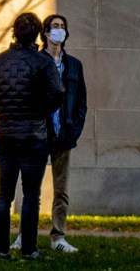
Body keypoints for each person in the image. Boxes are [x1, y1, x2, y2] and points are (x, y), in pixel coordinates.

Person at [0, 11, 64, 260]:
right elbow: (57, 93)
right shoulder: (42, 63)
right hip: (33, 137)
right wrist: (40, 111)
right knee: (31, 195)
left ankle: (1, 249)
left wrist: (2, 109)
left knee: (4, 194)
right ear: (38, 34)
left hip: (4, 135)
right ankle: (29, 249)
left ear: (14, 32)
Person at [38, 13, 87, 253]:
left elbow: (81, 103)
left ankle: (58, 237)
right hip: (39, 134)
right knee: (31, 189)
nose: (60, 30)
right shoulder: (36, 61)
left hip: (64, 135)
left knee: (62, 190)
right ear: (46, 32)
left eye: (63, 27)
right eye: (55, 26)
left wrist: (74, 131)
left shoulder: (74, 65)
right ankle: (23, 236)